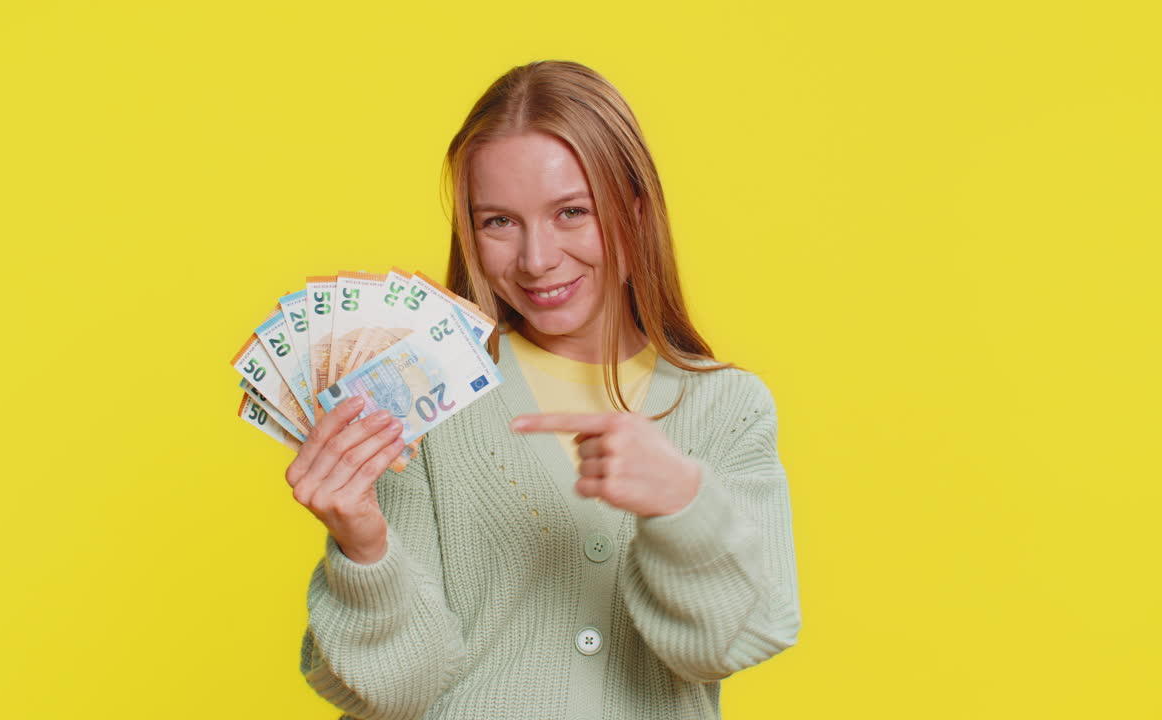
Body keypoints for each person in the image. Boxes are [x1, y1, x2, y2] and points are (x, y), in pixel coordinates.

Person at [287, 60, 802, 719]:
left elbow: (737, 637)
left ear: (636, 211)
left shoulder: (728, 410)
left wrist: (681, 503)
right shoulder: (425, 394)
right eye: (498, 222)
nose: (536, 259)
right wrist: (363, 548)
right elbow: (394, 690)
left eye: (571, 212)